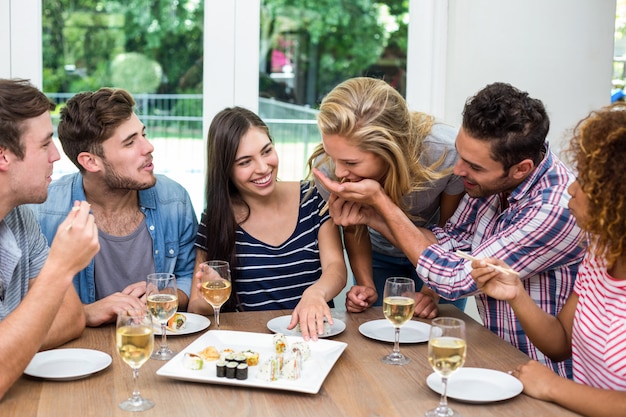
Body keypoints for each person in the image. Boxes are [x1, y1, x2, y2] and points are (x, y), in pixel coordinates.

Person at [314, 82, 585, 378]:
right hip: (504, 359)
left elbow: (454, 277)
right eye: (460, 155)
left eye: (474, 166)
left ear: (521, 168)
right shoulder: (494, 183)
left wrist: (381, 203)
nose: (457, 171)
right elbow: (447, 242)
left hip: (550, 373)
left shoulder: (555, 208)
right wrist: (373, 217)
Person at [469, 104, 626, 417]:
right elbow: (560, 343)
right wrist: (516, 293)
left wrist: (554, 386)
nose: (571, 188)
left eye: (586, 182)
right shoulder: (599, 251)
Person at [31, 88, 197, 327]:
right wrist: (84, 312)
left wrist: (166, 295)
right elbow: (27, 308)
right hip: (80, 354)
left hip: (159, 345)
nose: (148, 146)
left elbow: (188, 277)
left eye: (143, 134)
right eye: (130, 143)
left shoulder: (174, 199)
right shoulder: (43, 212)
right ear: (90, 161)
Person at [307, 77, 465, 316]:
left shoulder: (444, 152)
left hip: (437, 252)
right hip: (378, 254)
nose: (338, 172)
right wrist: (365, 284)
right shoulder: (328, 168)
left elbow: (451, 232)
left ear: (390, 150)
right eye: (333, 156)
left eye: (350, 162)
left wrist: (432, 292)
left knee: (438, 334)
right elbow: (354, 226)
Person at [188, 107, 347, 341]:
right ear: (226, 170)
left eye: (267, 151)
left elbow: (336, 268)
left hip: (315, 338)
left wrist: (316, 293)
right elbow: (195, 307)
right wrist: (212, 292)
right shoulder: (216, 219)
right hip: (254, 346)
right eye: (245, 162)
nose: (263, 168)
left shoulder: (312, 197)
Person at [0, 79, 99, 400]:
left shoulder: (18, 216)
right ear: (3, 155)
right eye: (44, 144)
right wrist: (60, 266)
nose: (56, 156)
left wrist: (10, 343)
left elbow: (70, 318)